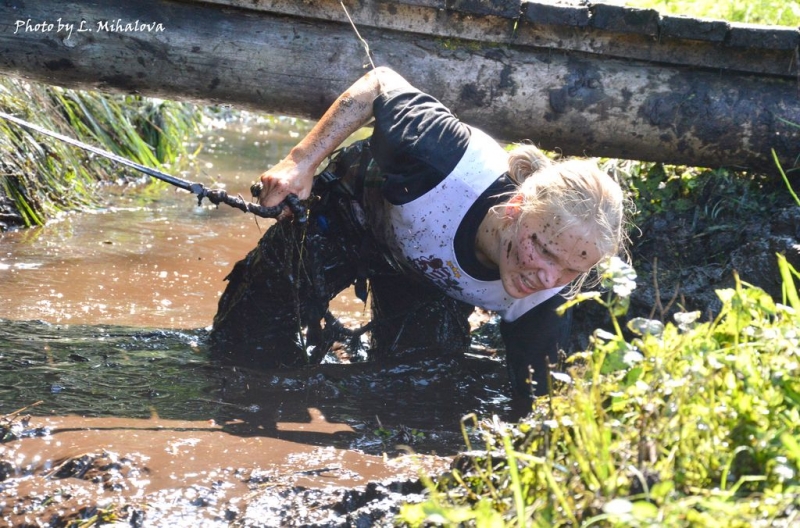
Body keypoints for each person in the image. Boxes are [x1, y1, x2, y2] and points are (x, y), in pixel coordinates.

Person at [210, 66, 627, 398]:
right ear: (517, 209)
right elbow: (380, 82)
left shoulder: (546, 293)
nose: (549, 278)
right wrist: (300, 162)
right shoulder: (445, 158)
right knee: (244, 344)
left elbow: (535, 395)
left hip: (425, 276)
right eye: (546, 253)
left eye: (573, 270)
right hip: (350, 215)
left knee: (420, 383)